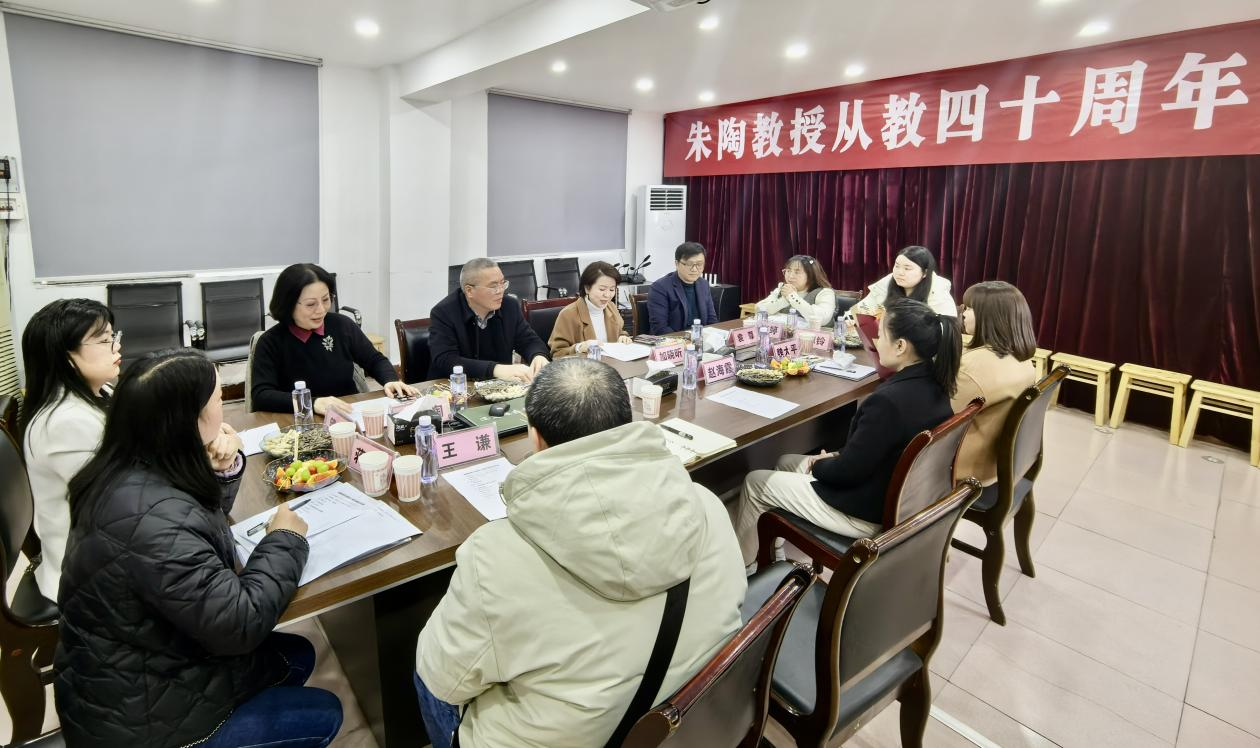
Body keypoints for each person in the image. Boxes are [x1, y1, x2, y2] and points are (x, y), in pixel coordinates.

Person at [415, 357, 746, 748]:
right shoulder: (705, 505)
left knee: (427, 674)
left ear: (535, 438)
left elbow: (443, 679)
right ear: (625, 422)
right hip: (694, 726)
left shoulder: (492, 557)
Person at [54, 349, 342, 748]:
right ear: (188, 420)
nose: (225, 410)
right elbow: (240, 624)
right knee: (325, 711)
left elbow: (190, 519)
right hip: (142, 722)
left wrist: (222, 470)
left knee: (296, 656)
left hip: (141, 670)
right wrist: (284, 539)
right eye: (220, 400)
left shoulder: (129, 467)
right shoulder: (151, 524)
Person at [736, 298, 961, 565]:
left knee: (755, 483)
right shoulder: (935, 384)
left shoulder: (888, 401)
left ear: (901, 346)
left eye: (881, 335)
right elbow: (871, 451)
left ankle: (745, 570)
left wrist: (820, 464)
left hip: (862, 510)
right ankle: (773, 554)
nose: (875, 342)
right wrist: (831, 459)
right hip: (894, 496)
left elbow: (848, 471)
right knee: (786, 461)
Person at [17, 299, 119, 604]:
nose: (116, 346)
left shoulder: (99, 391)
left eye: (114, 336)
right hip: (86, 575)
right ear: (66, 357)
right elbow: (120, 502)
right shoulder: (66, 421)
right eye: (104, 340)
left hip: (103, 547)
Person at [250, 263, 417, 414]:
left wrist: (390, 380)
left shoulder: (341, 325)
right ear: (288, 304)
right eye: (311, 304)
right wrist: (312, 403)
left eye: (326, 300)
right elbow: (262, 395)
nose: (321, 310)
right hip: (301, 420)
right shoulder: (270, 342)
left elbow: (374, 360)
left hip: (347, 413)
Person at [953, 281, 1038, 485]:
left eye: (970, 308)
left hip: (965, 468)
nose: (964, 314)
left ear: (990, 317)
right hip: (995, 461)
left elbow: (943, 417)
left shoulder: (974, 367)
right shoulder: (1022, 358)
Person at [429, 258, 550, 383]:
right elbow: (446, 359)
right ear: (469, 290)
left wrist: (538, 355)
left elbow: (529, 340)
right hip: (455, 387)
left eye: (502, 283)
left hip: (499, 387)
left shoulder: (509, 306)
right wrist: (495, 369)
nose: (501, 291)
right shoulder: (444, 312)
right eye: (493, 286)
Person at [548, 261, 634, 357]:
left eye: (612, 289)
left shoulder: (611, 307)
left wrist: (623, 337)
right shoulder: (568, 314)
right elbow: (557, 354)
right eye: (602, 289)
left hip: (613, 363)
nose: (607, 295)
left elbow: (620, 331)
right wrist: (579, 348)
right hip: (585, 366)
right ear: (587, 288)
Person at [855, 245, 958, 317]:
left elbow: (944, 329)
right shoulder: (890, 280)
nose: (900, 272)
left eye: (907, 268)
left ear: (925, 273)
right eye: (897, 266)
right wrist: (852, 318)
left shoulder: (937, 291)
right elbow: (863, 307)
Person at [647, 242, 718, 334]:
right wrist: (687, 339)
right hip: (673, 340)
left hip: (700, 338)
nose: (694, 269)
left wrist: (713, 336)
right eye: (689, 264)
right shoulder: (660, 288)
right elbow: (660, 328)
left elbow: (712, 320)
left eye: (699, 264)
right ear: (677, 264)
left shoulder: (703, 284)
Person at [755, 254, 837, 327]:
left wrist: (792, 297)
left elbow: (822, 319)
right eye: (788, 271)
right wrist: (783, 300)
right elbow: (759, 309)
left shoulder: (825, 292)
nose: (790, 276)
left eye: (797, 272)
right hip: (785, 335)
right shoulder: (782, 288)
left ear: (811, 275)